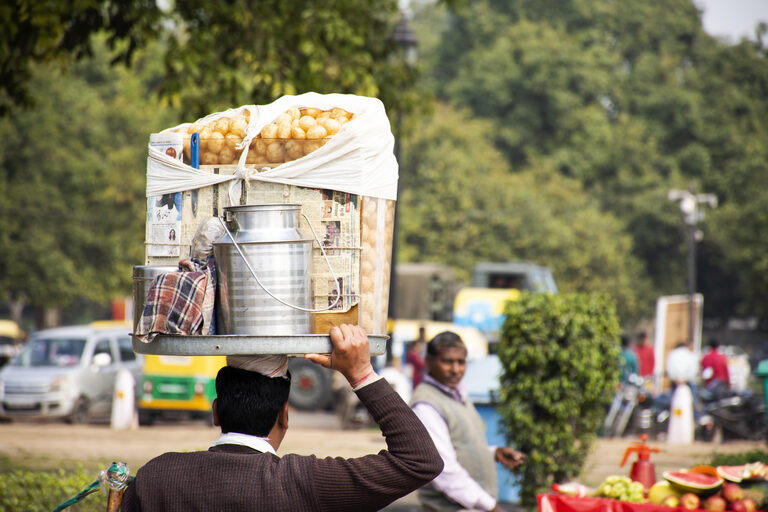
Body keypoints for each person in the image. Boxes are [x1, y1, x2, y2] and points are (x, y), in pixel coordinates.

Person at [121, 325, 443, 511]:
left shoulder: (156, 477)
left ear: (216, 411)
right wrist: (360, 372)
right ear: (284, 416)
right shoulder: (302, 482)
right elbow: (420, 462)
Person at [411, 331, 525, 512]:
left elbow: (460, 446)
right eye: (447, 361)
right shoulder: (426, 405)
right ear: (429, 362)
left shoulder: (458, 394)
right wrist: (492, 507)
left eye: (461, 362)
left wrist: (494, 453)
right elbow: (444, 471)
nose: (456, 369)